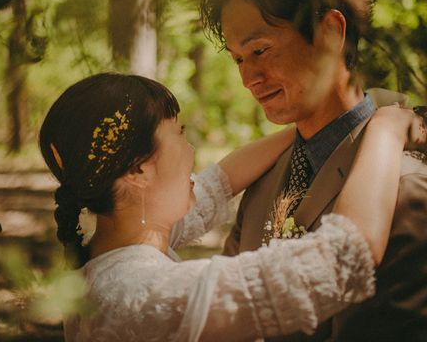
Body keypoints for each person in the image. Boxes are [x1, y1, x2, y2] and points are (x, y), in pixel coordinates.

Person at [39, 72, 423, 342]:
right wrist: (386, 132)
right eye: (179, 134)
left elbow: (222, 179)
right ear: (137, 169)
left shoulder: (117, 242)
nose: (192, 151)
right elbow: (341, 261)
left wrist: (326, 123)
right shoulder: (139, 295)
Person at [200, 0, 427, 341]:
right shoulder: (262, 183)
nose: (247, 79)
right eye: (237, 58)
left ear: (330, 33)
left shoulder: (405, 186)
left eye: (260, 50)